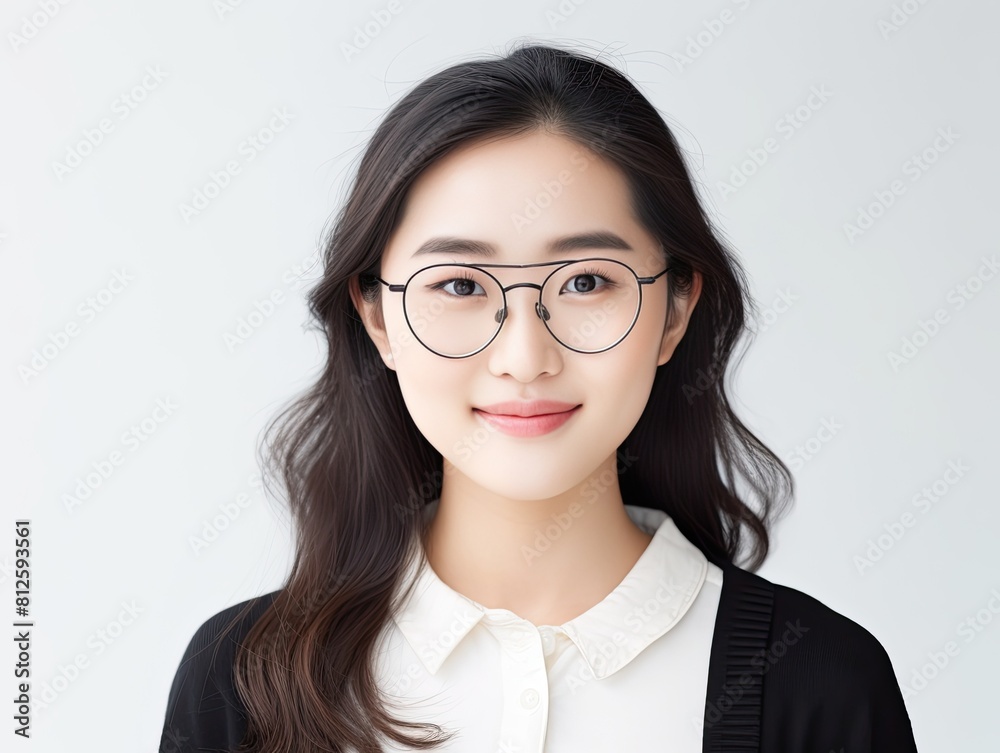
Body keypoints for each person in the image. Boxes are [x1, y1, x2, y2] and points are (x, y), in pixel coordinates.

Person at [158, 41, 919, 753]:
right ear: (377, 317)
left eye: (587, 281)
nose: (524, 357)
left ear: (676, 309)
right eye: (458, 284)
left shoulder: (823, 684)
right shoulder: (240, 683)